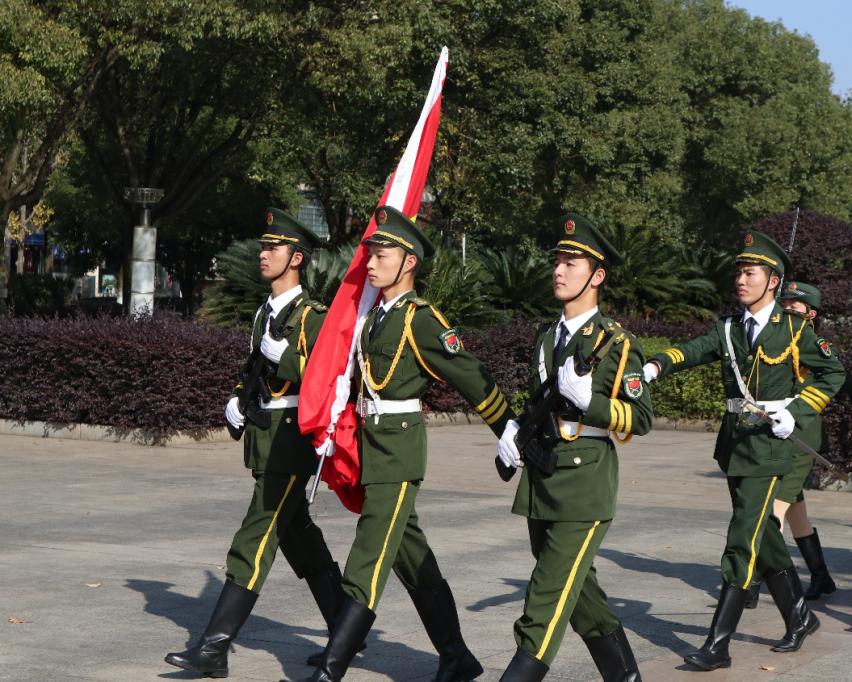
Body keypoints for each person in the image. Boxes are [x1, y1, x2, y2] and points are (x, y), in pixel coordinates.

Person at [292, 205, 514, 682]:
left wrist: (507, 427)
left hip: (399, 451)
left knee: (368, 555)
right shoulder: (375, 317)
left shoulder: (420, 319)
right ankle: (457, 657)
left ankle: (331, 668)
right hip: (372, 447)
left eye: (382, 255)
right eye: (370, 254)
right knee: (411, 558)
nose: (370, 263)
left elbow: (469, 374)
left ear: (409, 261)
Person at [644, 232, 845, 671]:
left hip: (770, 448)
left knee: (741, 540)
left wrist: (796, 409)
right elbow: (694, 349)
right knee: (764, 535)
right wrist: (657, 364)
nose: (741, 279)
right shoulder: (729, 328)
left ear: (773, 281)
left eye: (750, 273)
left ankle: (718, 645)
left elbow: (834, 373)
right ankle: (800, 616)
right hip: (735, 445)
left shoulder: (794, 329)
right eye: (739, 272)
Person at [166, 209, 343, 678]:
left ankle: (213, 648)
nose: (264, 254)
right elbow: (255, 372)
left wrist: (288, 361)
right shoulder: (265, 312)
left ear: (297, 258)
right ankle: (347, 628)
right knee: (299, 538)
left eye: (274, 247)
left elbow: (330, 381)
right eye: (263, 246)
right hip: (266, 438)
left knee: (254, 538)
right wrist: (236, 398)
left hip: (292, 443)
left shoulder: (312, 317)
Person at [495, 213, 653, 681]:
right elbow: (540, 403)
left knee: (544, 601)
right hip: (541, 478)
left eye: (571, 263)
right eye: (557, 262)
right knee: (582, 596)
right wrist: (515, 430)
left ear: (597, 276)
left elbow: (641, 417)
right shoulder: (547, 336)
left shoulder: (617, 342)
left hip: (583, 485)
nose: (558, 271)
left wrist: (592, 403)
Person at [744, 282, 835, 605]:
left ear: (811, 314)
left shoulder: (812, 344)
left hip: (801, 438)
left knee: (772, 513)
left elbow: (839, 377)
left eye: (795, 308)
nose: (787, 312)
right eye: (784, 306)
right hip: (773, 435)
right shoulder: (774, 339)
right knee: (795, 512)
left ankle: (752, 582)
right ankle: (821, 576)